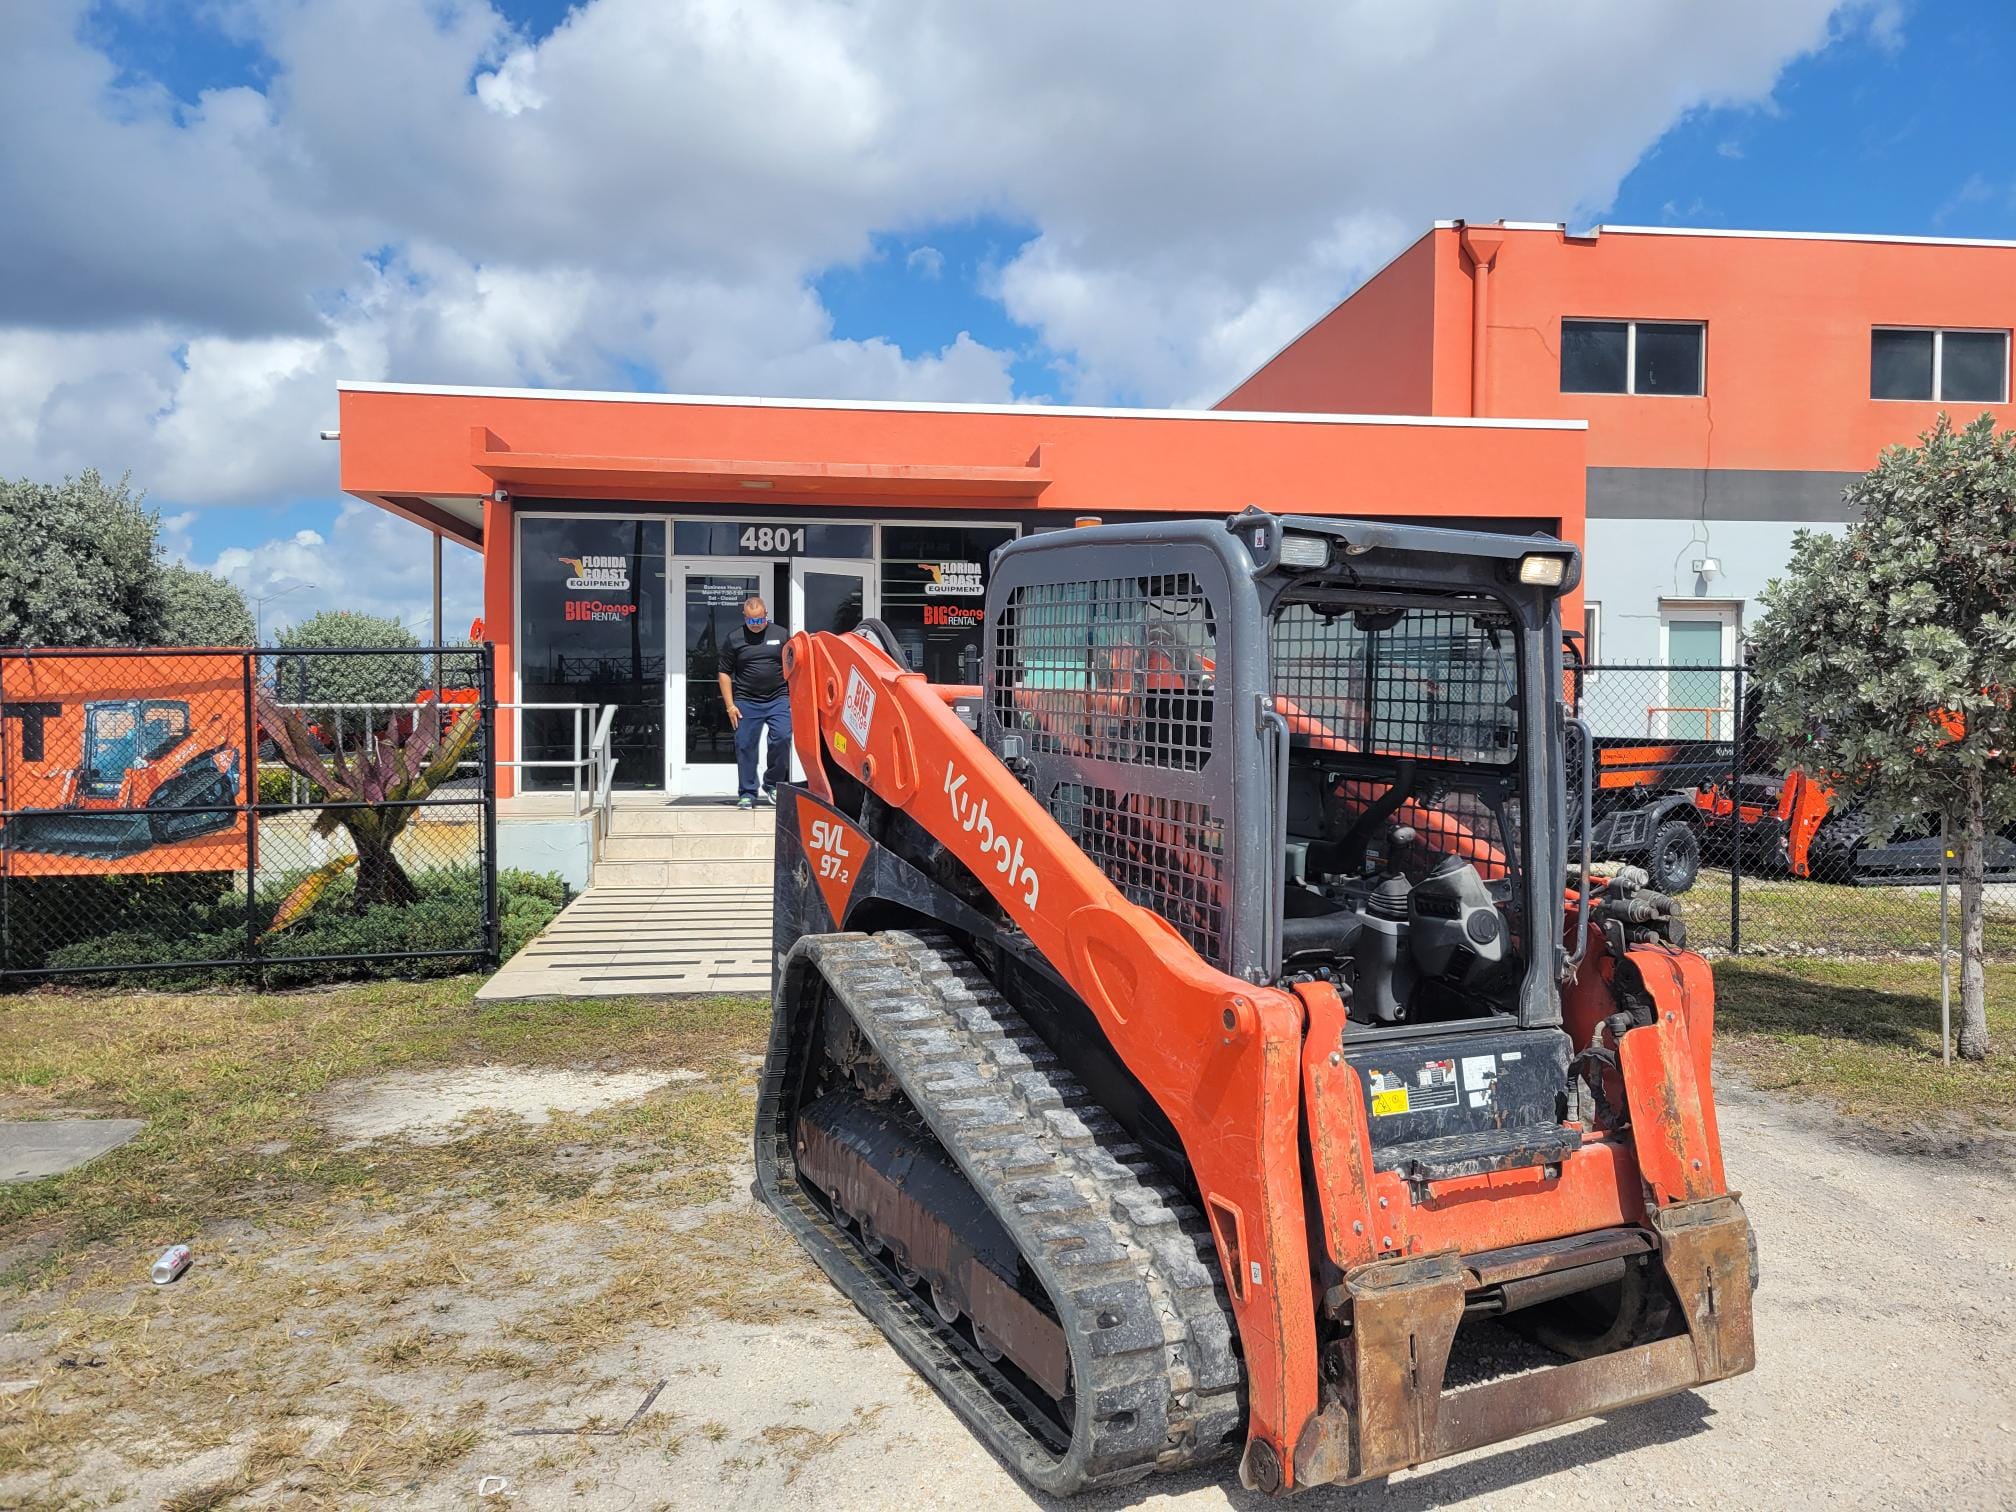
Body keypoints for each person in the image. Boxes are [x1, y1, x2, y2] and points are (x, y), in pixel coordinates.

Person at [716, 594, 790, 809]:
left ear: (766, 615)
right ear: (744, 617)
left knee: (782, 738)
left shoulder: (781, 634)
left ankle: (773, 784)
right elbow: (724, 673)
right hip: (746, 701)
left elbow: (795, 665)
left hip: (778, 698)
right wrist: (730, 705)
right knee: (746, 745)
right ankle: (748, 792)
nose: (756, 625)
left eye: (759, 620)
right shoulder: (734, 638)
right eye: (751, 620)